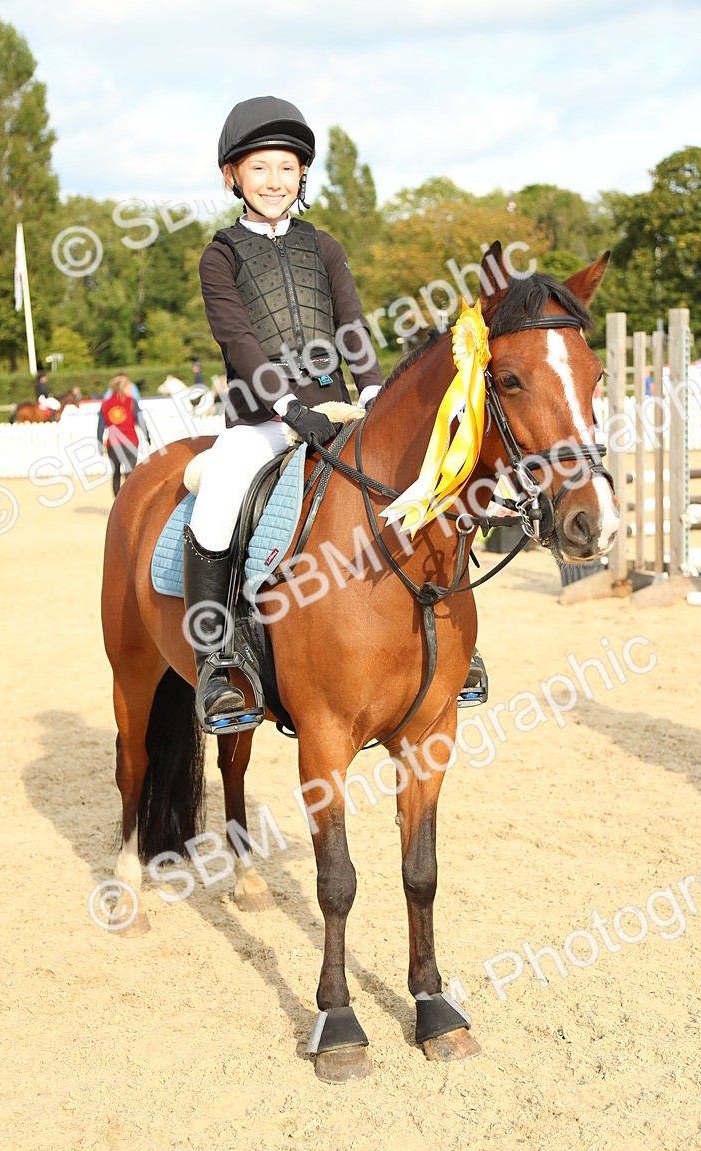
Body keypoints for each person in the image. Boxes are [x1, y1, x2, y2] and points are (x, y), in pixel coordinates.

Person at [185, 95, 485, 733]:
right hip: (259, 421)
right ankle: (218, 663)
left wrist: (375, 394)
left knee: (422, 478)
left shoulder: (323, 246)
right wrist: (287, 407)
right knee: (218, 497)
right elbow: (239, 339)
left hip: (339, 408)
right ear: (232, 175)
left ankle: (458, 641)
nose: (274, 181)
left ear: (301, 177)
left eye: (287, 169)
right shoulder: (221, 256)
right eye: (260, 168)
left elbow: (351, 325)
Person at [97, 374, 149, 497]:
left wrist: (99, 443)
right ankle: (129, 503)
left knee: (116, 474)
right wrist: (147, 436)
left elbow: (100, 427)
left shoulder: (105, 404)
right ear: (125, 387)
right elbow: (141, 421)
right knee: (130, 474)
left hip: (113, 444)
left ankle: (118, 504)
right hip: (130, 442)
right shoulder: (131, 402)